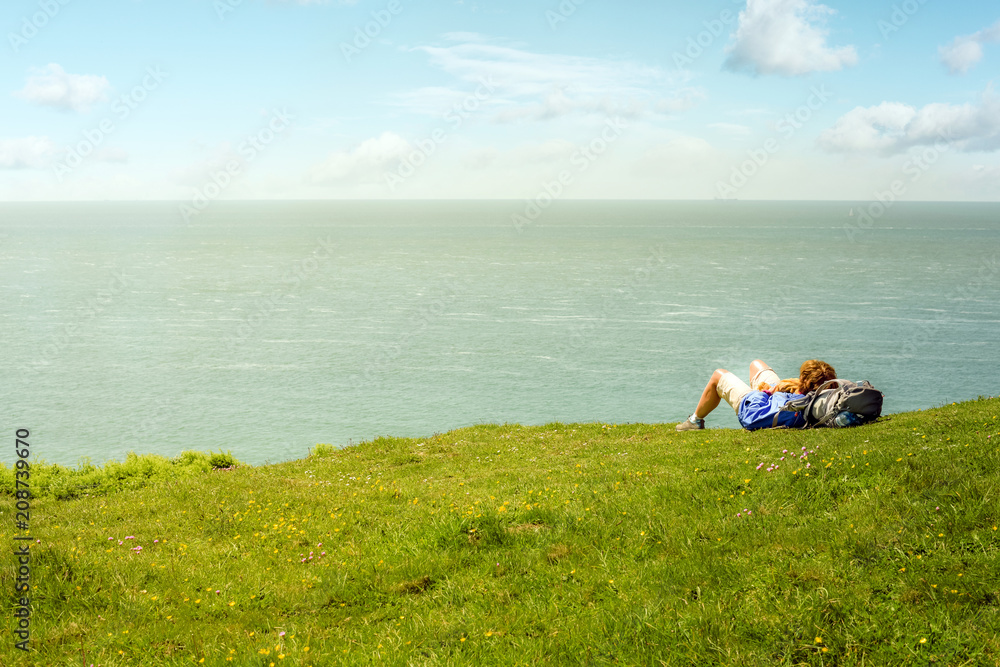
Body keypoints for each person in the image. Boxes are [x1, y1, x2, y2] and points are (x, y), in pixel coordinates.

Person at [676, 359, 837, 431]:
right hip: (776, 396)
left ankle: (694, 421)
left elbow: (753, 418)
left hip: (757, 403)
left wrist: (764, 393)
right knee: (756, 364)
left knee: (719, 375)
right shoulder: (826, 398)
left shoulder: (791, 403)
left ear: (803, 379)